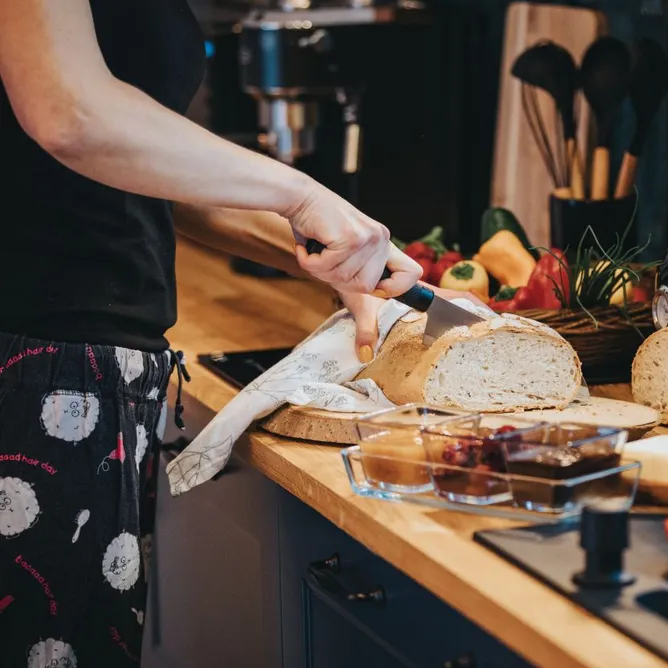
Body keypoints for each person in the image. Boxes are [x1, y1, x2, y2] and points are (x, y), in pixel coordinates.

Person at [0, 1, 479, 665]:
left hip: (71, 375)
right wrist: (305, 196)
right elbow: (71, 115)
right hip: (32, 380)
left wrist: (328, 258)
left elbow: (142, 173)